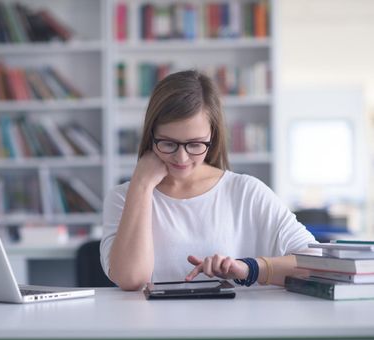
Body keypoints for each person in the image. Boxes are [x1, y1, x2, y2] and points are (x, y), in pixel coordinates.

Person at [100, 70, 317, 291]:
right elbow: (131, 279)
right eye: (167, 143)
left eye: (195, 144)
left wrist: (249, 268)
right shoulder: (124, 197)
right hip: (152, 325)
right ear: (150, 135)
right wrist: (142, 185)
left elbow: (317, 263)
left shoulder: (246, 192)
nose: (181, 157)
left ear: (212, 137)